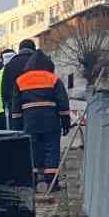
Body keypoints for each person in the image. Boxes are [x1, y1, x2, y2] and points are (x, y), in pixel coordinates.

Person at [13, 50, 71, 188]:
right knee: (51, 148)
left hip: (30, 121)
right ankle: (51, 182)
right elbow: (63, 101)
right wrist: (65, 121)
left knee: (33, 148)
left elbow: (16, 106)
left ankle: (33, 179)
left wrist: (17, 125)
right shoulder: (53, 79)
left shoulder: (20, 80)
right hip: (50, 120)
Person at [0, 39, 37, 130]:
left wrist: (6, 104)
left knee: (19, 136)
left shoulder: (10, 64)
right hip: (39, 105)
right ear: (34, 49)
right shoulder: (40, 62)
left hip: (16, 108)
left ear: (19, 50)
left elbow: (4, 88)